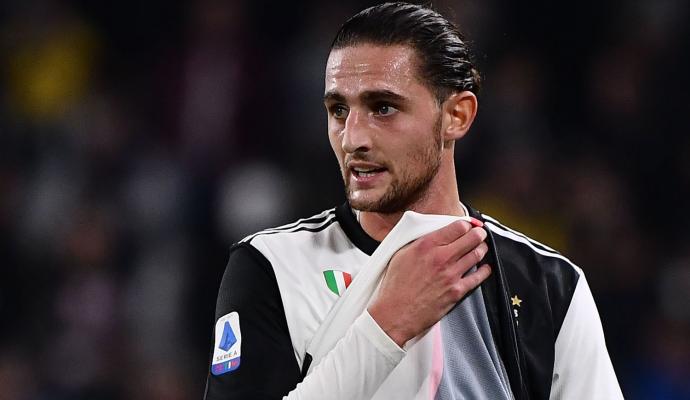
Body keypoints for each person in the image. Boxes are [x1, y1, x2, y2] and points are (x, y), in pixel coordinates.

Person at [204, 2, 623, 399]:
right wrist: (386, 325)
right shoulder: (273, 267)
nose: (352, 138)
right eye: (338, 110)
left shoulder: (549, 285)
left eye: (383, 107)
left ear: (456, 116)